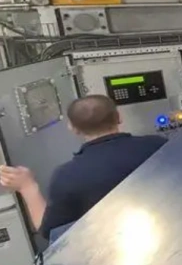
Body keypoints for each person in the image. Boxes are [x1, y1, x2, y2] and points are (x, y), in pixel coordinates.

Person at [0, 95, 166, 239]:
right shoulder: (159, 145)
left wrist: (27, 187)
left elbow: (52, 234)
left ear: (73, 128)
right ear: (118, 117)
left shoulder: (67, 176)